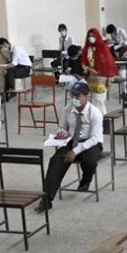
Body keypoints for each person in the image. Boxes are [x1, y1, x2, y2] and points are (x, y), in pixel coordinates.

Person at [36, 82, 103, 213]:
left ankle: (86, 180)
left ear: (86, 96)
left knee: (89, 161)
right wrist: (61, 132)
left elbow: (95, 138)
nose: (74, 99)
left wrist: (76, 151)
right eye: (73, 95)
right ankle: (47, 199)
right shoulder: (68, 109)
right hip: (72, 141)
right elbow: (63, 126)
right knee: (55, 161)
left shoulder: (95, 112)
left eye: (77, 96)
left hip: (90, 143)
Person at [81, 28, 119, 115]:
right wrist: (88, 69)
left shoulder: (103, 47)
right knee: (96, 99)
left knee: (99, 99)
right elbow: (83, 62)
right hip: (91, 77)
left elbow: (109, 62)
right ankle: (103, 118)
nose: (91, 38)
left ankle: (100, 118)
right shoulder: (87, 48)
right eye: (89, 36)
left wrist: (109, 78)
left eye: (93, 36)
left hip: (103, 77)